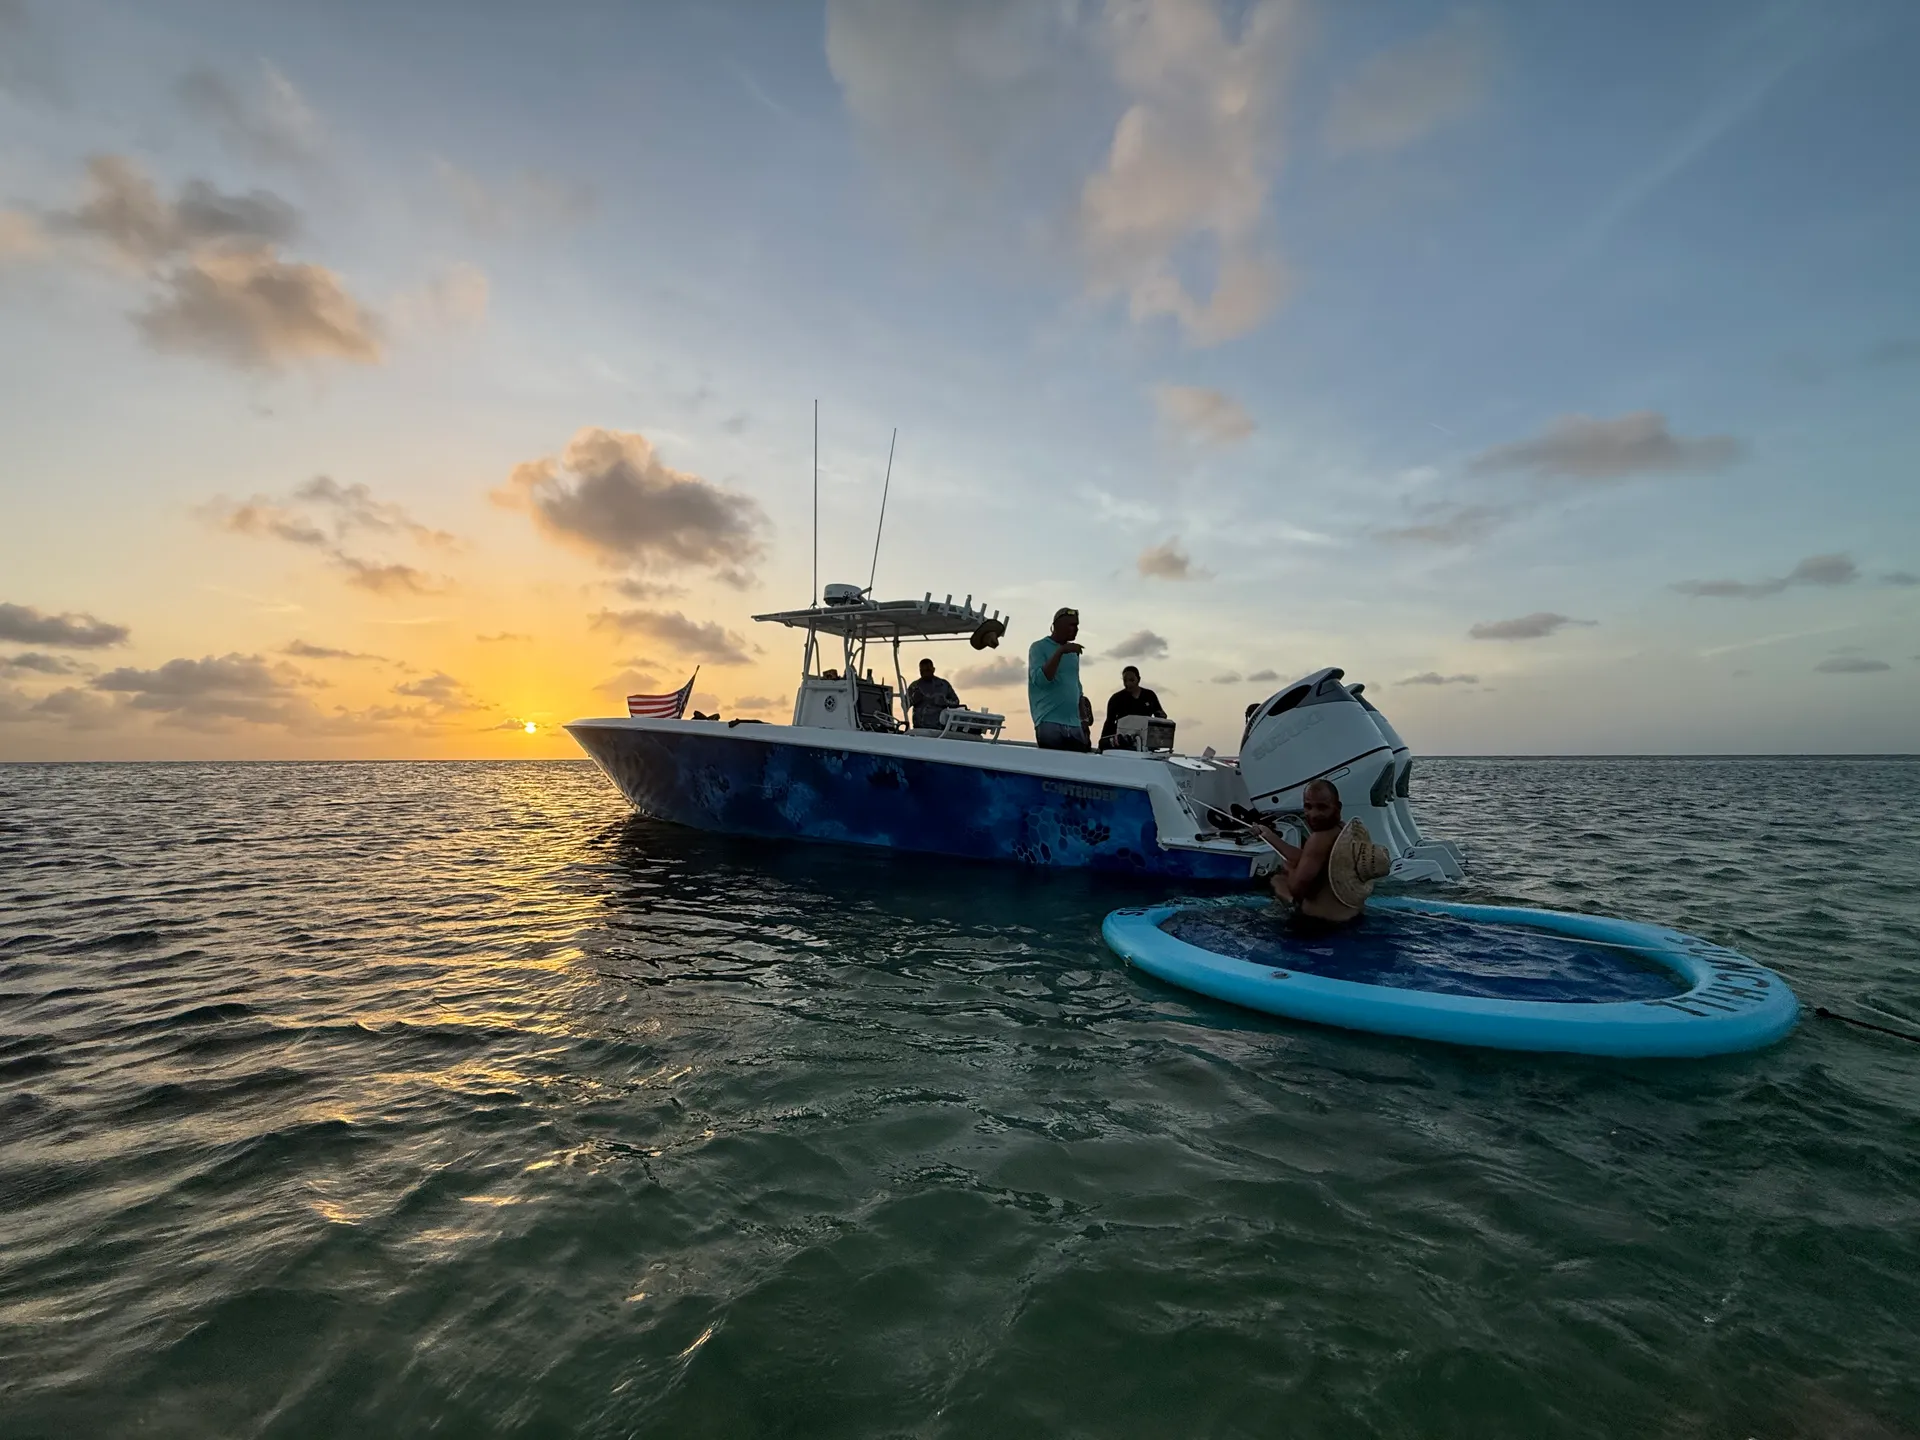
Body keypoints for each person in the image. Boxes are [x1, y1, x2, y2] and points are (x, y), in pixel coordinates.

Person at [1249, 779, 1390, 925]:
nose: (1313, 814)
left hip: (1318, 927)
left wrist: (1289, 870)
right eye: (1308, 807)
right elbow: (1310, 858)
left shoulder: (1318, 839)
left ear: (1338, 807)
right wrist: (1269, 836)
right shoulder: (1342, 832)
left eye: (1322, 807)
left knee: (1277, 881)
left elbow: (1297, 890)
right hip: (1354, 920)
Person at [1028, 607, 1088, 751]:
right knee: (1052, 767)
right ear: (1057, 625)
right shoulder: (1038, 647)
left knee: (1076, 769)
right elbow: (1042, 680)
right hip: (1049, 721)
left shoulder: (1073, 652)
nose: (1076, 629)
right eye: (1072, 625)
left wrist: (1083, 718)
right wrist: (1060, 652)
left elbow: (1076, 684)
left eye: (1077, 625)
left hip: (1074, 724)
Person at [1099, 665, 1166, 748]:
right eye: (1125, 681)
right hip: (1123, 742)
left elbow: (1159, 717)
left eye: (1131, 680)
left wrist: (1162, 717)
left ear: (1138, 679)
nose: (1128, 684)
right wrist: (1102, 743)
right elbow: (1109, 722)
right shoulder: (1116, 698)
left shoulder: (1149, 695)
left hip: (1144, 742)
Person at [905, 657, 962, 731]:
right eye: (922, 670)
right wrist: (913, 700)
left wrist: (945, 702)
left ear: (933, 669)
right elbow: (904, 705)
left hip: (940, 729)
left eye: (927, 670)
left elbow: (956, 702)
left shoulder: (943, 684)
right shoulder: (914, 686)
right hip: (919, 729)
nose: (925, 672)